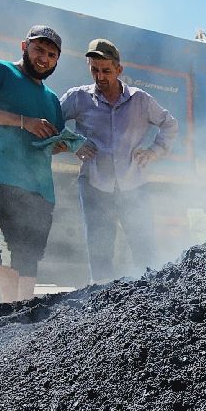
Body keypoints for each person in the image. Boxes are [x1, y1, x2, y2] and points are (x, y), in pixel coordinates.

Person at [0, 24, 67, 303]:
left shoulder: (51, 98)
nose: (44, 58)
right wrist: (23, 121)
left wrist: (62, 146)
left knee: (31, 251)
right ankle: (9, 312)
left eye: (51, 54)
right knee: (8, 245)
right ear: (24, 46)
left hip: (41, 186)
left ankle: (25, 310)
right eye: (39, 50)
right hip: (2, 176)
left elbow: (48, 144)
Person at [60, 38, 179, 282]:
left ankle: (149, 299)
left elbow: (170, 124)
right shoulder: (77, 98)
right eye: (94, 70)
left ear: (119, 70)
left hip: (134, 185)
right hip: (94, 184)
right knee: (100, 248)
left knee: (144, 247)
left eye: (106, 70)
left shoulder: (140, 100)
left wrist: (153, 151)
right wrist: (74, 143)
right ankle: (102, 305)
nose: (100, 76)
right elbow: (51, 121)